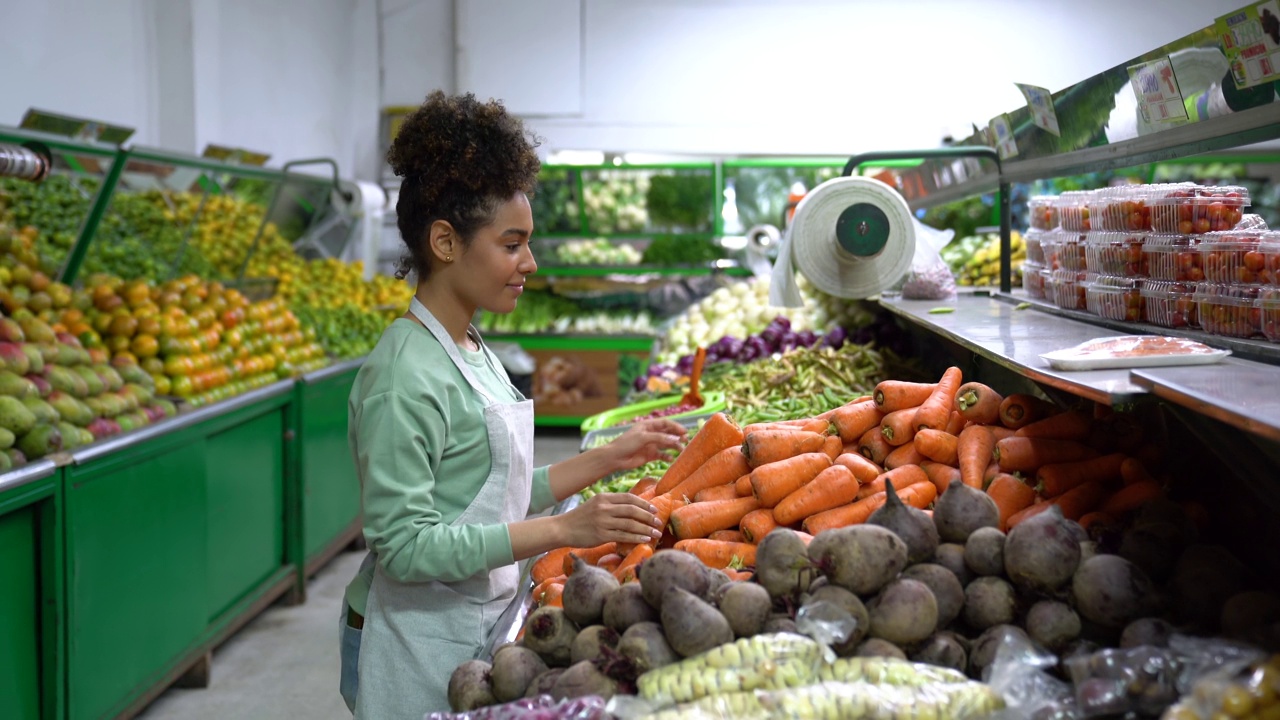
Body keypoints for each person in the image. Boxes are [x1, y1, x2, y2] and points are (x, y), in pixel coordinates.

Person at [338, 91, 686, 718]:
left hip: (477, 623)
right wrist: (563, 530)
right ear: (445, 242)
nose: (529, 262)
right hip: (415, 643)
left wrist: (612, 457)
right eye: (511, 243)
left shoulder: (470, 345)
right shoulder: (404, 376)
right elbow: (406, 546)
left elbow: (493, 495)